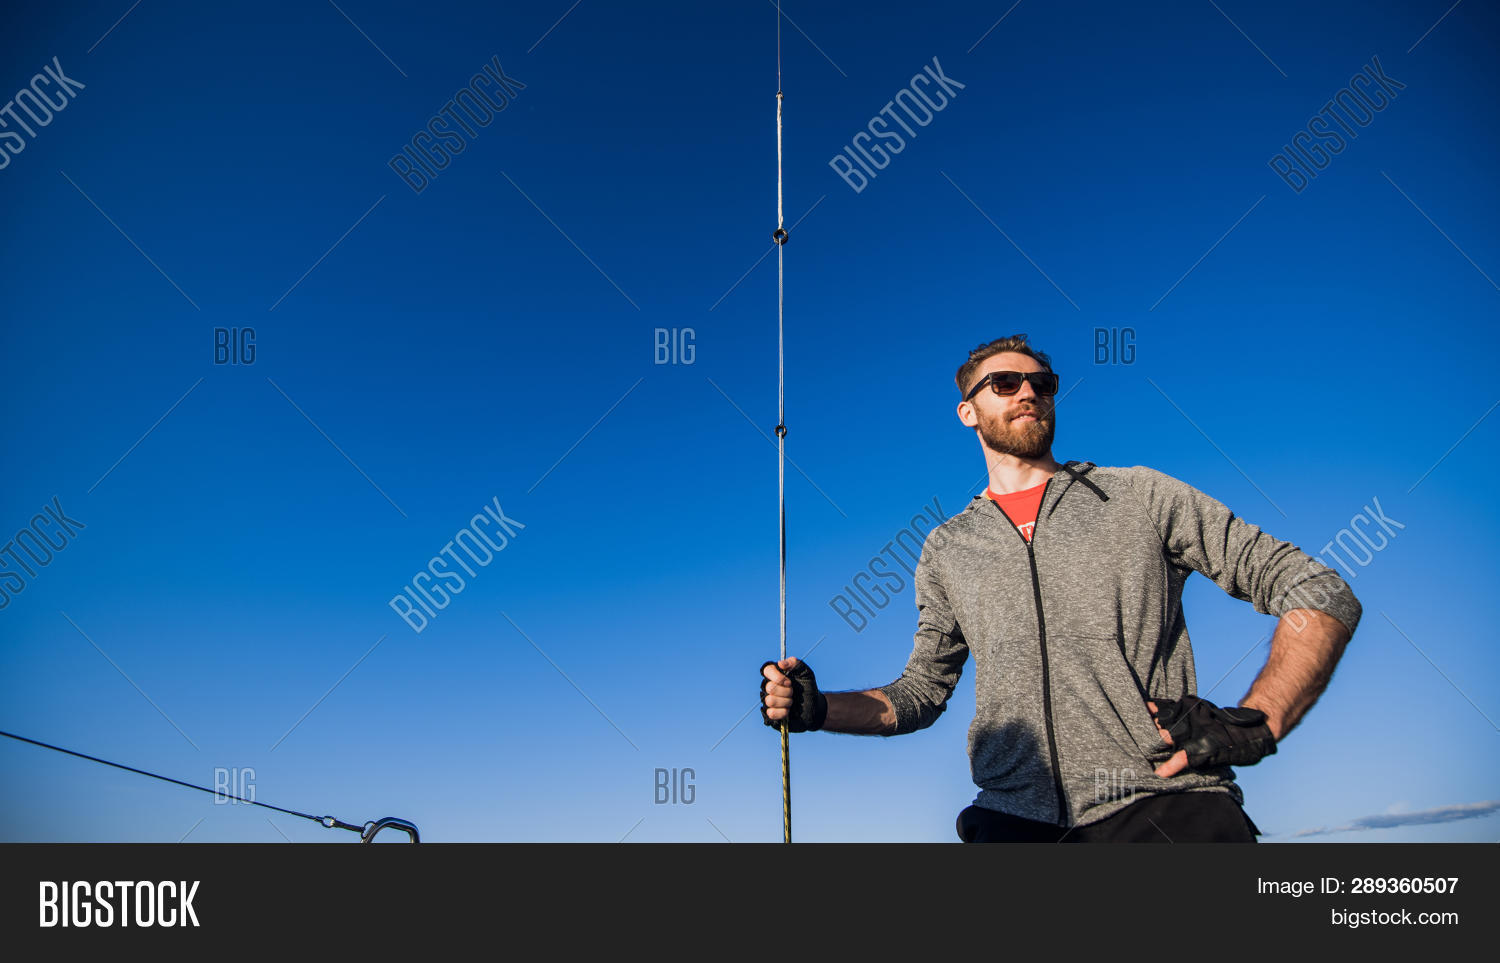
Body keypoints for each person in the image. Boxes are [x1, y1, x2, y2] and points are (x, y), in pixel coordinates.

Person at [759, 335, 1361, 842]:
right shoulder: (947, 547)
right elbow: (919, 693)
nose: (1028, 393)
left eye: (1042, 383)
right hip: (1012, 826)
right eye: (1005, 383)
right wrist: (817, 709)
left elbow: (1319, 589)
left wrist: (1263, 719)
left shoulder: (1140, 496)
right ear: (967, 410)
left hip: (1167, 810)